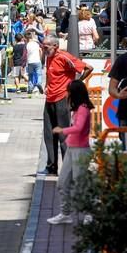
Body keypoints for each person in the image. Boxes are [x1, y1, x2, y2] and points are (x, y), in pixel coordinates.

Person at [40, 35, 93, 176]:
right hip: (50, 98)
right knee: (49, 134)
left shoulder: (64, 57)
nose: (43, 49)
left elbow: (88, 68)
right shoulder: (48, 56)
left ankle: (68, 167)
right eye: (42, 46)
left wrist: (75, 85)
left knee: (63, 135)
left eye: (45, 47)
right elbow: (50, 74)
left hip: (62, 99)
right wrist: (46, 86)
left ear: (55, 46)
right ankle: (51, 167)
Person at [47, 80, 94, 225]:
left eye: (69, 92)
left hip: (81, 151)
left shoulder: (83, 109)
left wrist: (62, 130)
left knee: (80, 183)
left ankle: (88, 213)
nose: (68, 95)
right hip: (72, 149)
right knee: (62, 183)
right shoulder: (77, 109)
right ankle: (65, 213)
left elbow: (79, 128)